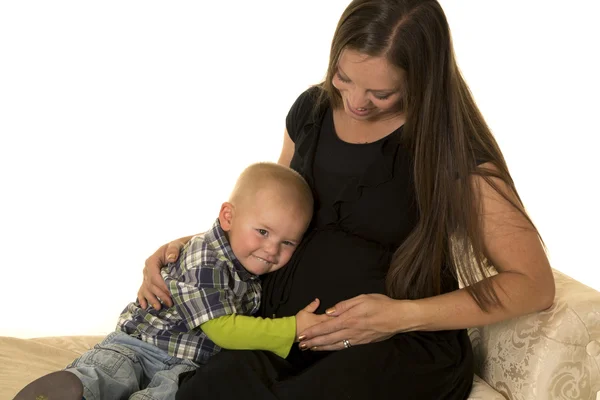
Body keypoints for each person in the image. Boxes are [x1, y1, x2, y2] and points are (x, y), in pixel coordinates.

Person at [139, 1, 556, 399]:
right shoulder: (311, 111)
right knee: (206, 389)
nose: (356, 102)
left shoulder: (456, 154)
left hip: (395, 345)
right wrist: (186, 248)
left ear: (422, 82)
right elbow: (272, 215)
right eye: (344, 77)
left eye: (381, 93)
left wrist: (399, 316)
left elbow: (532, 284)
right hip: (286, 333)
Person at [14, 162, 325, 400]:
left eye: (288, 243)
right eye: (263, 232)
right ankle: (72, 387)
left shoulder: (244, 263)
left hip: (184, 364)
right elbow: (224, 330)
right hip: (137, 345)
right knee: (108, 373)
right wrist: (293, 328)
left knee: (164, 394)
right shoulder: (206, 259)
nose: (272, 250)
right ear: (228, 217)